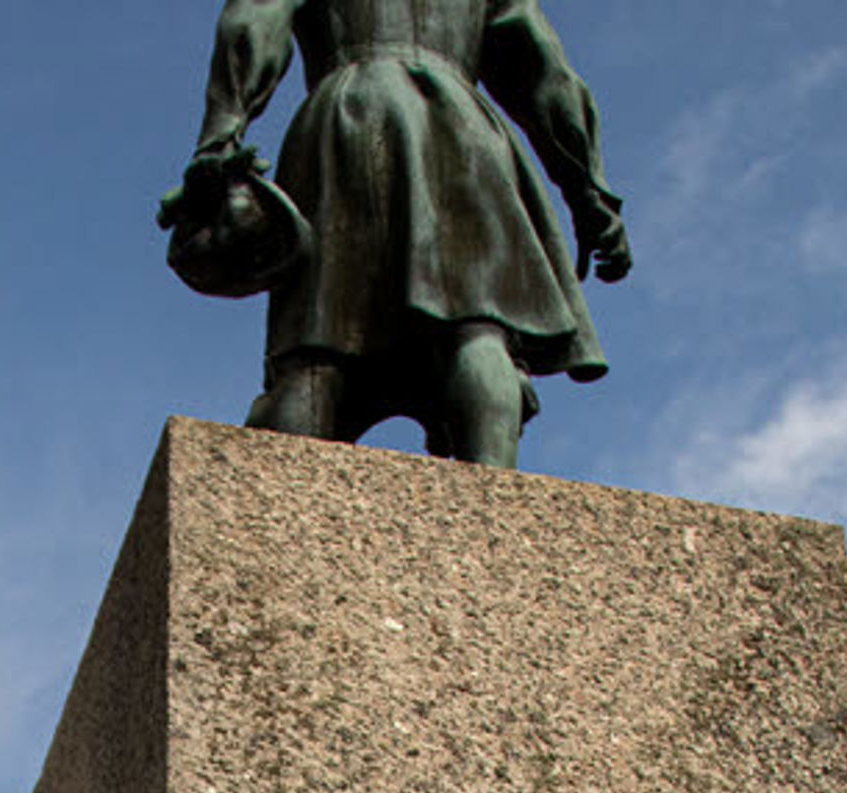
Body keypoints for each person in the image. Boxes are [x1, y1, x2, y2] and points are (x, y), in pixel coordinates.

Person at [183, 0, 633, 467]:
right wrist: (588, 193)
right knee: (478, 328)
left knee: (317, 350)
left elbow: (252, 20)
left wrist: (221, 135)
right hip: (461, 128)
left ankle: (285, 511)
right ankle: (497, 512)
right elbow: (543, 72)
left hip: (342, 119)